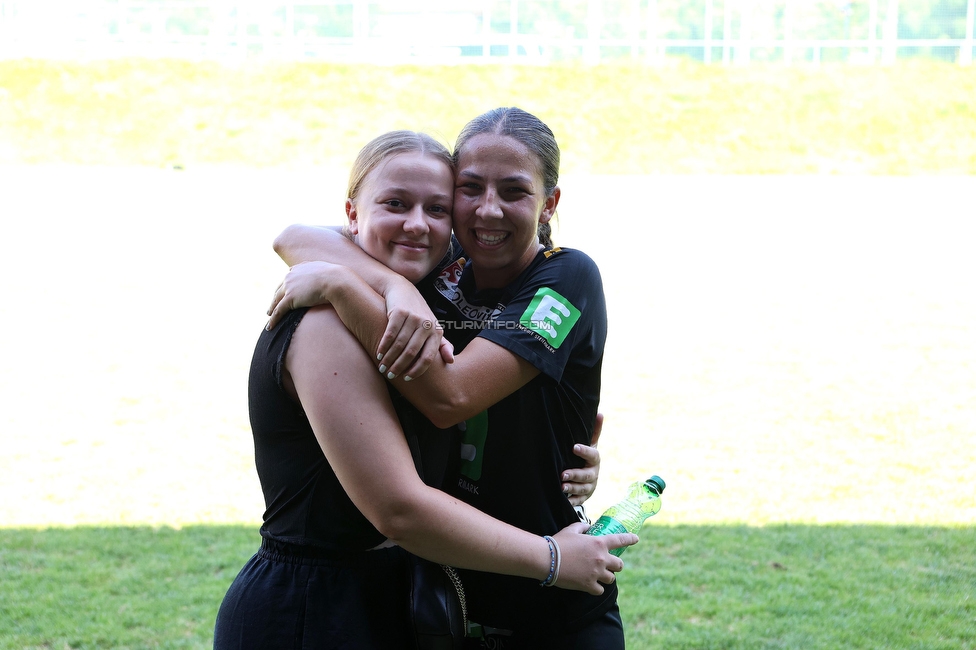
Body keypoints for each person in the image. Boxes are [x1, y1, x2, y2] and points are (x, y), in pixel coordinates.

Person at [214, 130, 635, 650]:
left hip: (411, 599)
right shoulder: (333, 319)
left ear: (550, 204)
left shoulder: (442, 273)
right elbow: (292, 236)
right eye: (470, 189)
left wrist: (549, 451)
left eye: (436, 208)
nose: (420, 224)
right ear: (353, 213)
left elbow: (453, 400)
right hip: (316, 605)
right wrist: (385, 288)